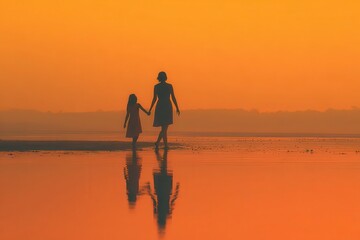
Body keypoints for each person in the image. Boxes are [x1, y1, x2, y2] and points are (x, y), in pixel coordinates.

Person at [149, 72, 180, 149]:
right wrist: (177, 107)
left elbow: (154, 99)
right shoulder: (169, 86)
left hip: (160, 106)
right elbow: (173, 97)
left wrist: (150, 109)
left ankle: (159, 143)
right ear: (165, 77)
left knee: (164, 128)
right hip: (166, 106)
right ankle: (162, 144)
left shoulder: (156, 86)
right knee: (165, 127)